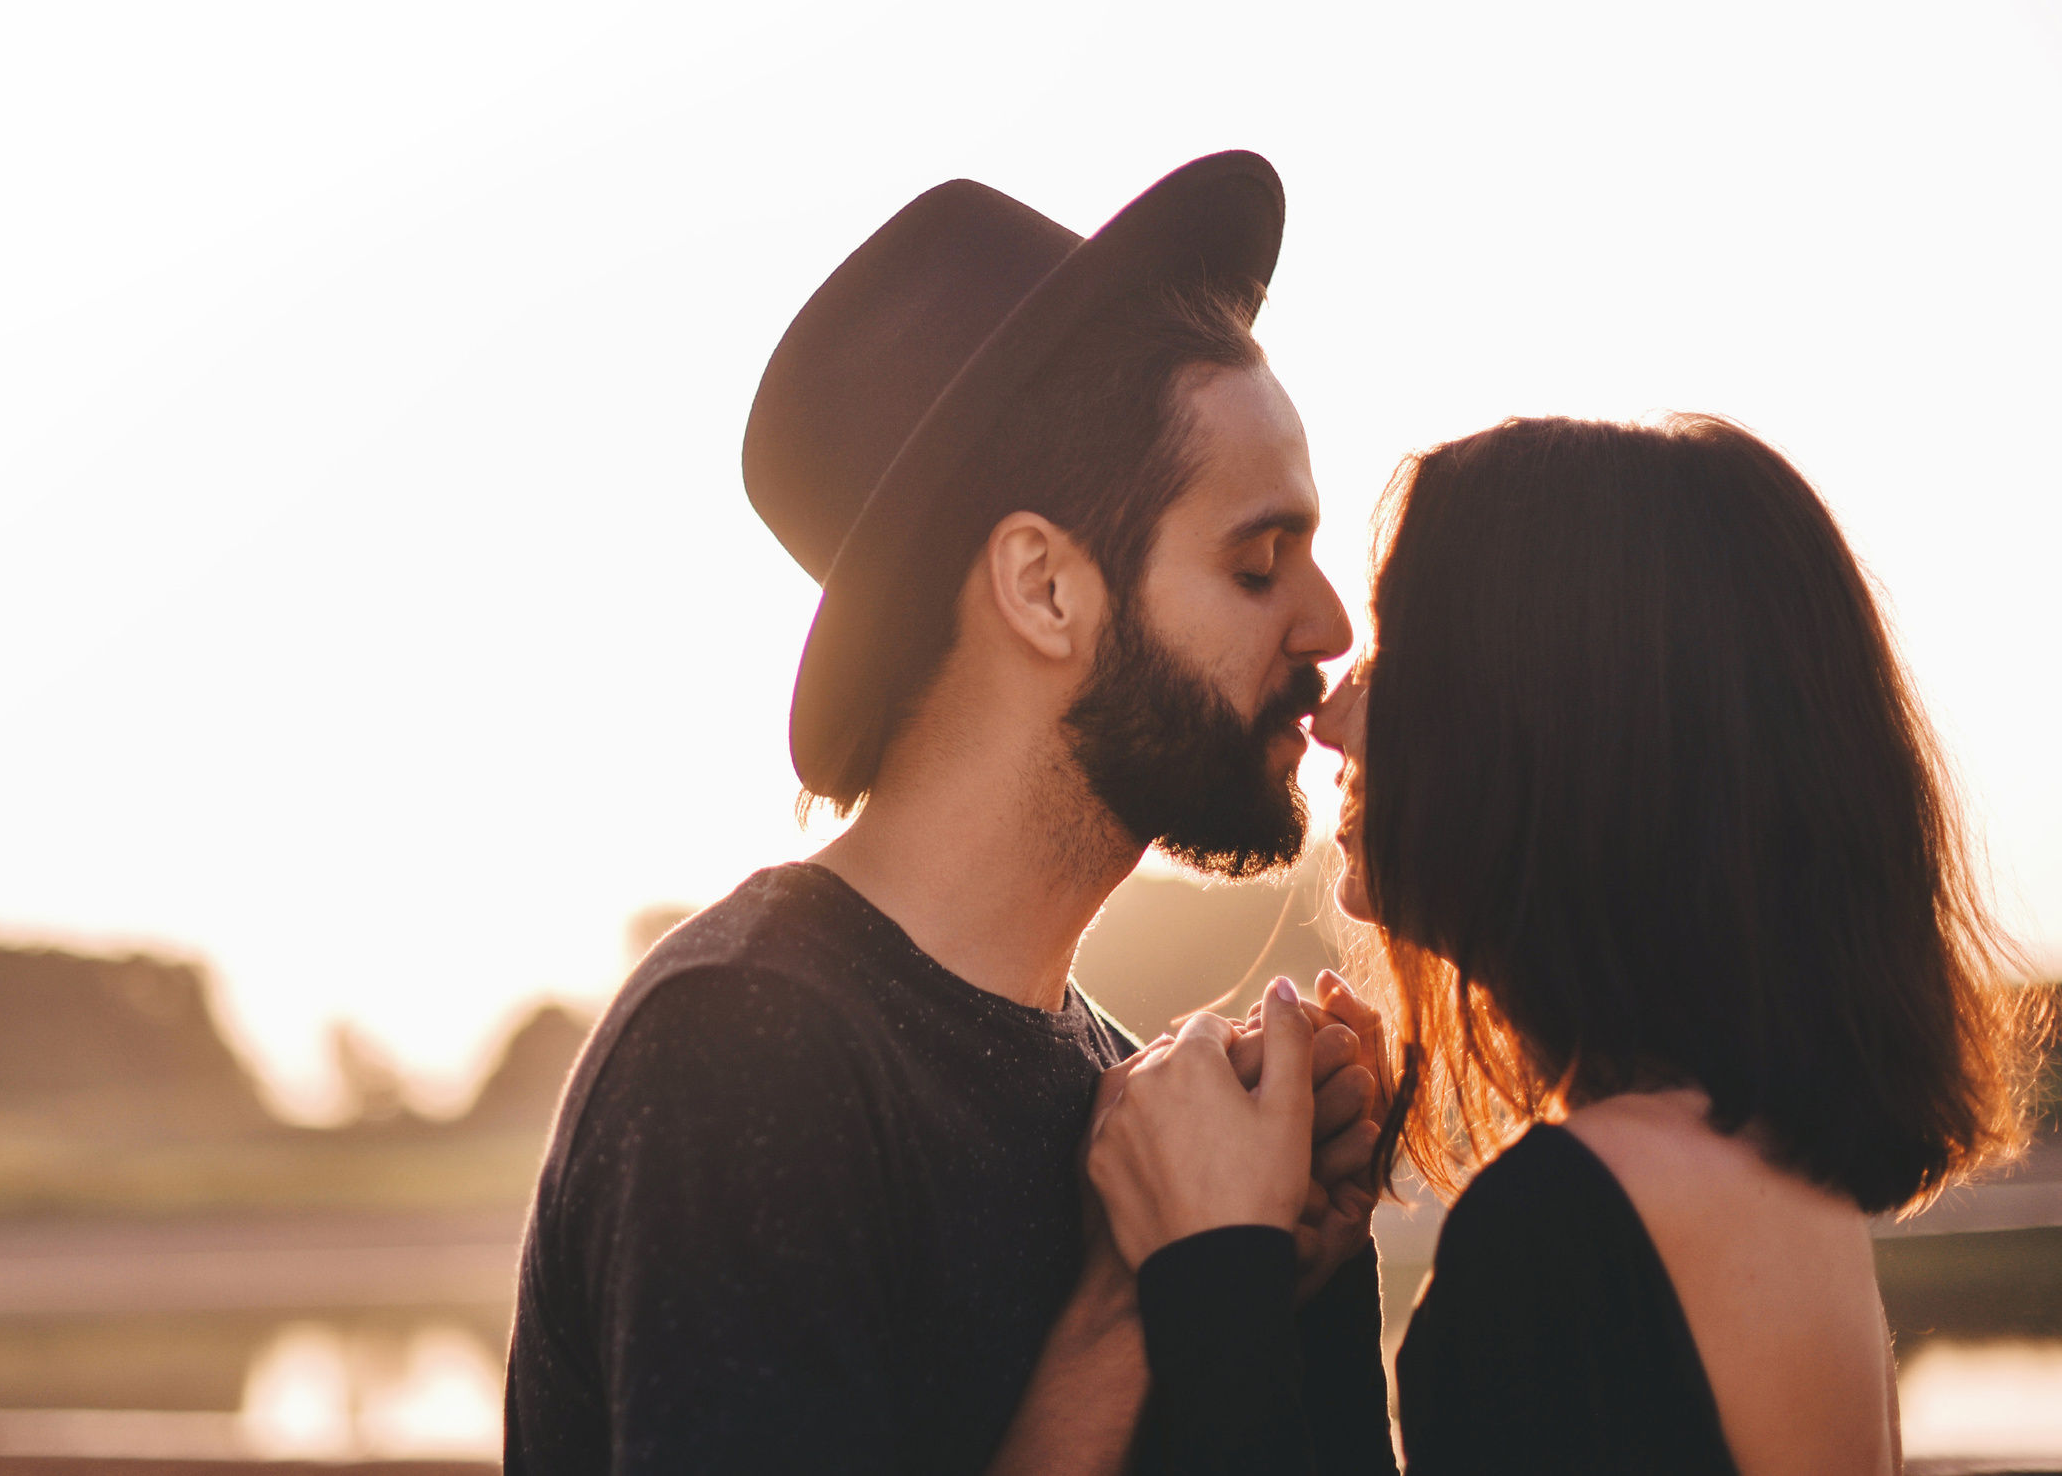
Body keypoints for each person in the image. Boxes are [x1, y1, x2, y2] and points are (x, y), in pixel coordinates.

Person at [502, 153, 1389, 1475]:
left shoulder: (1124, 1082)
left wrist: (1278, 1284)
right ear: (1043, 588)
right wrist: (1125, 1307)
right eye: (1259, 563)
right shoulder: (747, 1056)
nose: (1328, 626)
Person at [1079, 414, 2046, 1475]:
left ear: (1542, 716)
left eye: (1400, 652)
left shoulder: (1567, 1227)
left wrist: (1208, 1273)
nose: (1333, 710)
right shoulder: (1751, 1171)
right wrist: (1311, 1282)